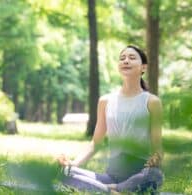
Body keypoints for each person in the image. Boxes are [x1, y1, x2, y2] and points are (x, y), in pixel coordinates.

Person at [57, 45, 164, 193]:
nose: (126, 61)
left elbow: (157, 147)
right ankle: (115, 190)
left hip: (139, 174)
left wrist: (156, 159)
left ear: (143, 68)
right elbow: (95, 144)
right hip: (111, 176)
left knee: (155, 175)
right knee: (63, 172)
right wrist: (73, 164)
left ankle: (107, 190)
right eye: (122, 58)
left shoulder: (152, 102)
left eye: (132, 58)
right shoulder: (105, 101)